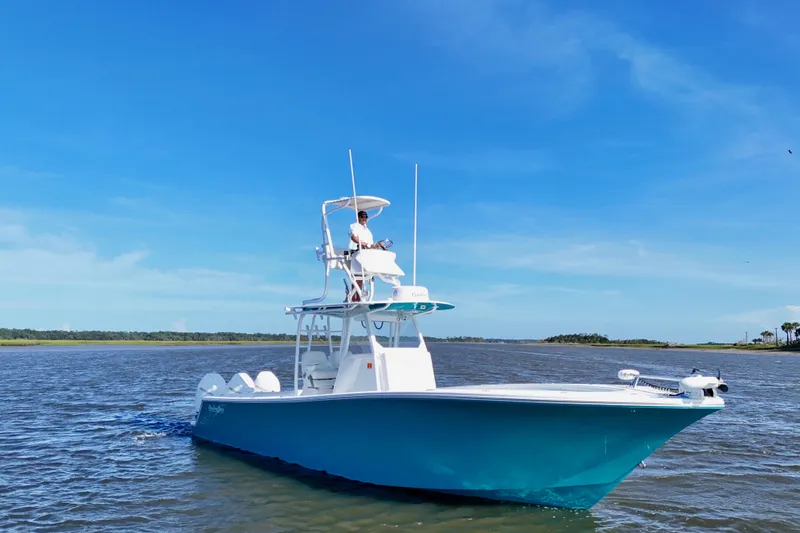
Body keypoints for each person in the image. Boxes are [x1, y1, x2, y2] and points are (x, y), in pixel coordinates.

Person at [346, 210, 384, 301]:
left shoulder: (368, 231)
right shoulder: (354, 226)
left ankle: (360, 298)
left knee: (366, 277)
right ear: (358, 217)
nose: (364, 218)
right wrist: (362, 243)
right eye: (362, 217)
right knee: (357, 277)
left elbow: (370, 244)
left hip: (367, 255)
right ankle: (354, 299)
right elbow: (353, 237)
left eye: (366, 217)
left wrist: (376, 246)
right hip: (356, 253)